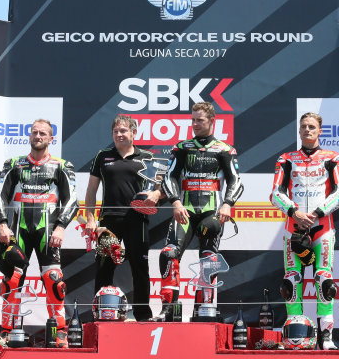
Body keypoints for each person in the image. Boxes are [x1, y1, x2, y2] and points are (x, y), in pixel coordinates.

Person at [154, 102, 244, 321]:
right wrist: (175, 202)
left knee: (208, 259)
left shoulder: (225, 149)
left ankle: (203, 308)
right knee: (168, 253)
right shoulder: (182, 147)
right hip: (184, 211)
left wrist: (227, 204)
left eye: (199, 120)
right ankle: (170, 308)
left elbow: (236, 181)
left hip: (211, 212)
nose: (195, 124)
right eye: (193, 119)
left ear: (212, 121)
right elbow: (169, 177)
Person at [0, 119, 78, 346]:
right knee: (12, 279)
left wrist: (60, 227)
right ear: (29, 136)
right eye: (34, 132)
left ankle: (59, 331)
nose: (38, 136)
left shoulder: (62, 166)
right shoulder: (14, 164)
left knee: (54, 281)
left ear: (51, 139)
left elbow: (72, 201)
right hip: (18, 231)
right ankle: (6, 331)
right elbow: (0, 196)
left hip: (48, 232)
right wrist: (2, 223)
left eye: (43, 133)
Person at [270, 112, 339, 350]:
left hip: (322, 226)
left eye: (312, 127)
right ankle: (295, 336)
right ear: (299, 130)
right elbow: (275, 193)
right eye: (303, 126)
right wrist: (294, 212)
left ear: (320, 131)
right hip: (293, 227)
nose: (307, 130)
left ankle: (326, 336)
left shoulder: (333, 157)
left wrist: (317, 212)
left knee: (324, 280)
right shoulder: (286, 158)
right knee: (291, 281)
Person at [84, 115, 163, 321]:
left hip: (138, 220)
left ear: (134, 133)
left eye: (123, 131)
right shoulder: (103, 156)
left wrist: (156, 195)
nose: (119, 134)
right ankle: (101, 313)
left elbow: (160, 187)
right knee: (104, 266)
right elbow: (91, 190)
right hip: (108, 220)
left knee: (140, 267)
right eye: (116, 131)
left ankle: (143, 314)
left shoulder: (146, 156)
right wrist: (90, 219)